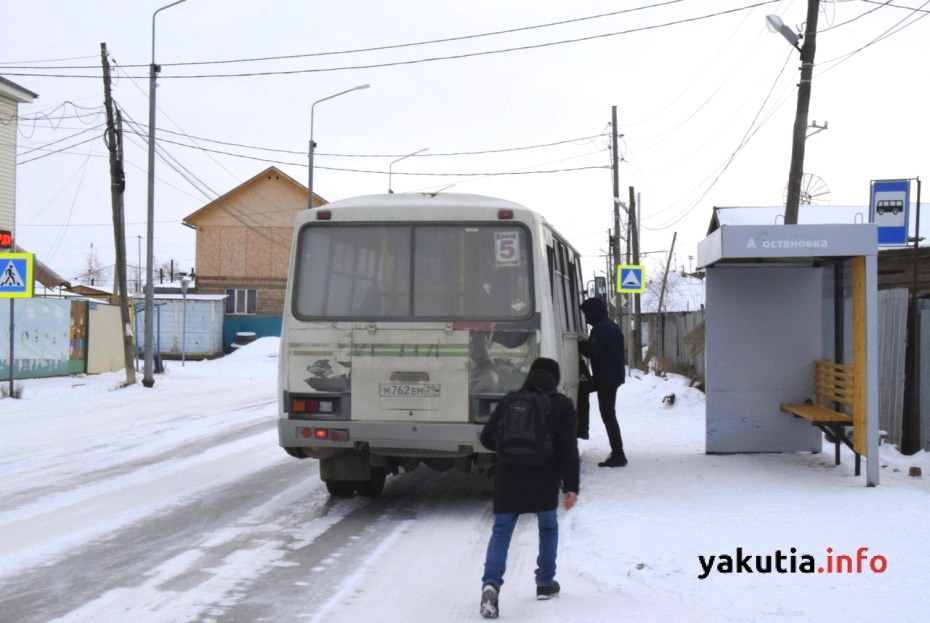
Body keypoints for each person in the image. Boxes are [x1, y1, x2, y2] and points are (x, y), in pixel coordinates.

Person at [478, 357, 580, 619]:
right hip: (544, 479)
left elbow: (487, 437)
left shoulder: (511, 400)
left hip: (508, 478)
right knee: (547, 528)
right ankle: (545, 583)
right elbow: (569, 450)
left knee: (501, 532)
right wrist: (571, 486)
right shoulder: (562, 405)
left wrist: (510, 451)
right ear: (554, 378)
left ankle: (491, 584)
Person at [579, 297, 628, 467]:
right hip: (611, 377)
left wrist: (580, 344)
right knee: (609, 415)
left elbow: (593, 352)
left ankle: (618, 454)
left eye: (586, 314)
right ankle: (618, 452)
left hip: (606, 379)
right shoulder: (611, 326)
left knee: (608, 415)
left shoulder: (601, 329)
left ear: (593, 313)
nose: (586, 318)